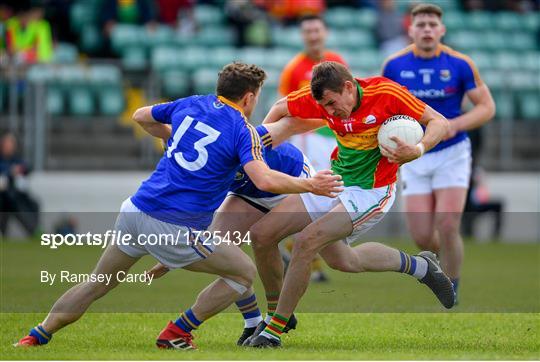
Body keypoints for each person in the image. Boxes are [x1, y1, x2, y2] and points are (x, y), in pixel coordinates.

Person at [14, 63, 343, 350]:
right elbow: (266, 179)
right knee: (243, 274)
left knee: (97, 282)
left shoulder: (191, 103)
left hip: (135, 210)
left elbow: (141, 115)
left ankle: (36, 336)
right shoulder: (242, 131)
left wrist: (173, 136)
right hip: (174, 226)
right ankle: (177, 332)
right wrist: (311, 184)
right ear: (250, 98)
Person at [243, 61, 455, 348]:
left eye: (331, 103)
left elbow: (439, 122)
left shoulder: (386, 93)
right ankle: (421, 267)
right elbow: (282, 107)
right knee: (265, 236)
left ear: (347, 87)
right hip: (336, 179)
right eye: (324, 106)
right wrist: (261, 150)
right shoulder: (323, 97)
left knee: (307, 241)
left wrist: (417, 149)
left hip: (372, 191)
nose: (329, 112)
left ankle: (273, 331)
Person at [146, 123, 317, 345]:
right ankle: (254, 322)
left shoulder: (221, 144)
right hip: (250, 191)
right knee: (223, 254)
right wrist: (173, 257)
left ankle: (277, 315)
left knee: (344, 259)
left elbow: (279, 136)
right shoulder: (192, 160)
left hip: (293, 180)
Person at [381, 3, 496, 302]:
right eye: (421, 24)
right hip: (415, 155)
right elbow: (385, 107)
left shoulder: (460, 64)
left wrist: (454, 124)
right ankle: (437, 269)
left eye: (433, 24)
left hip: (453, 153)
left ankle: (451, 286)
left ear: (442, 30)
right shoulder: (394, 65)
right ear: (411, 29)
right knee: (421, 237)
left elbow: (487, 107)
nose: (427, 29)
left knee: (447, 224)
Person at [278, 14, 348, 282]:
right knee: (311, 194)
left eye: (317, 30)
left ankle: (307, 249)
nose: (313, 36)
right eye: (308, 31)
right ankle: (311, 258)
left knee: (331, 194)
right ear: (303, 36)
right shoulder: (294, 68)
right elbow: (283, 104)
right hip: (307, 137)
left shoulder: (337, 62)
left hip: (334, 136)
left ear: (324, 32)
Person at [0, 132, 40, 238]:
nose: (9, 147)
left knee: (34, 203)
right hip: (3, 196)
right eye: (6, 144)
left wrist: (19, 170)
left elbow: (27, 167)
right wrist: (9, 172)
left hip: (15, 194)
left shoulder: (16, 158)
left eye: (11, 144)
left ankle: (34, 230)